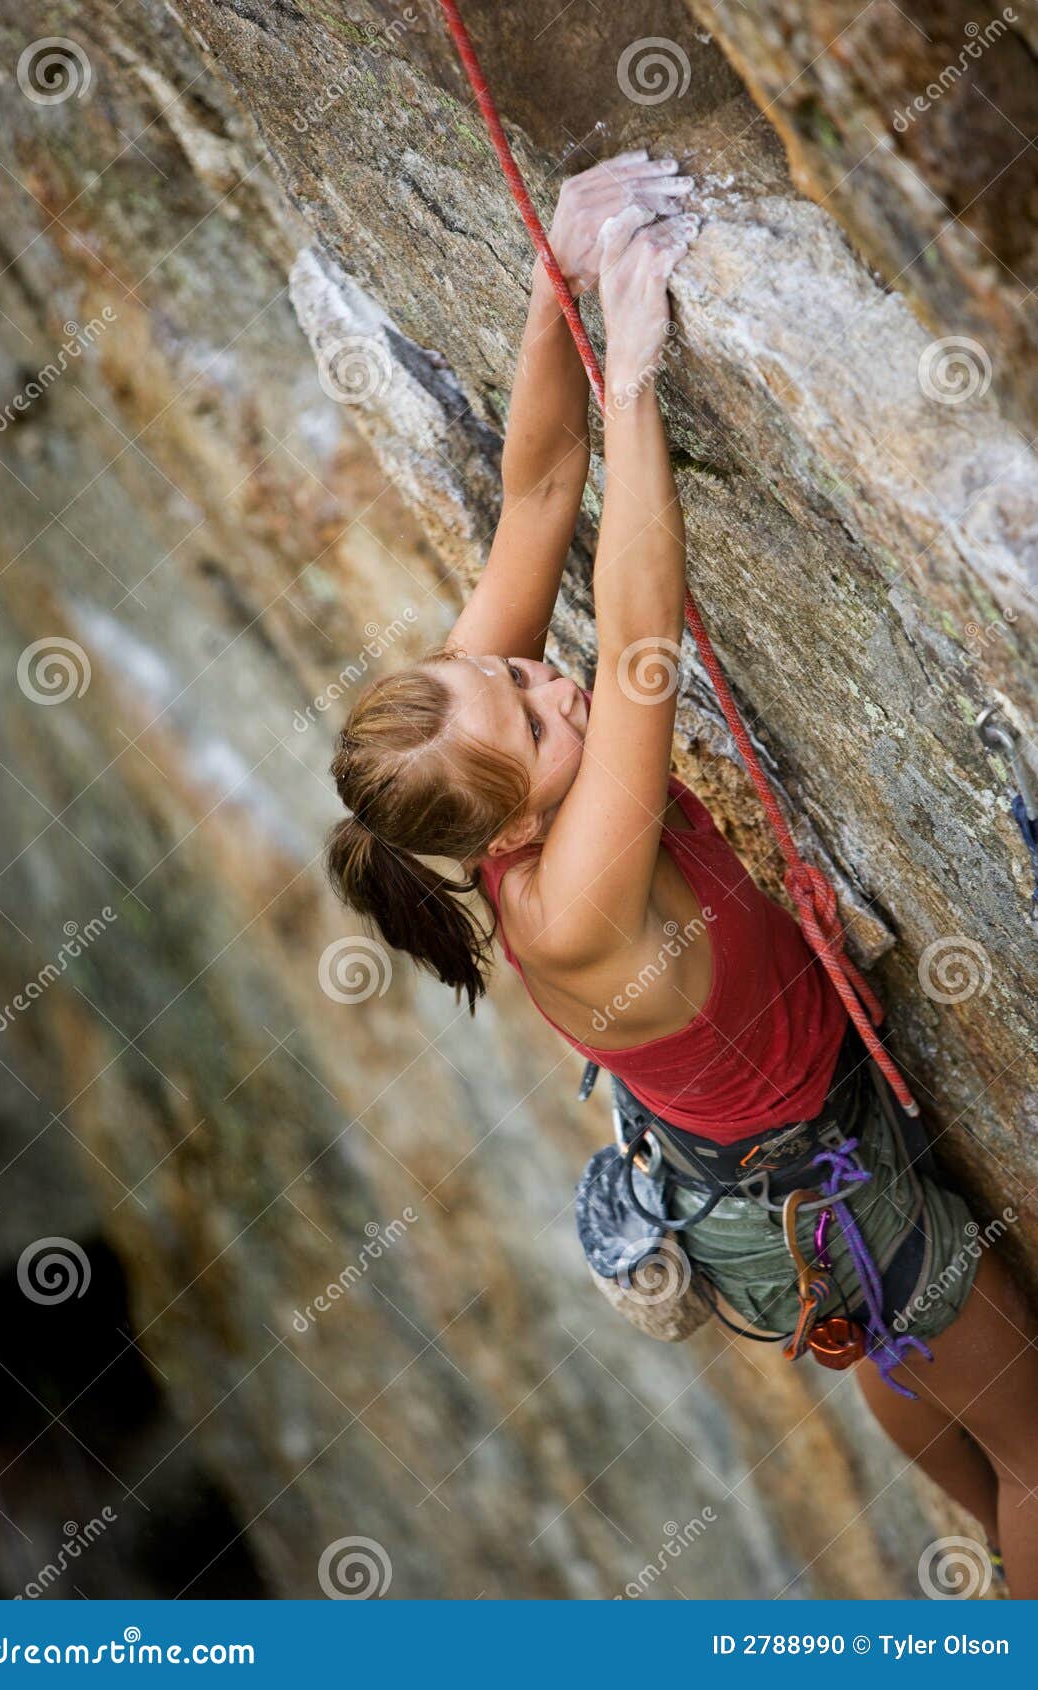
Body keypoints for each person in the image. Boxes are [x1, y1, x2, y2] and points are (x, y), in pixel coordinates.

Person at [327, 152, 1038, 1594]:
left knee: (916, 1353)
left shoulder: (476, 781)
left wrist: (554, 286)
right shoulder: (577, 896)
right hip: (820, 1192)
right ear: (506, 829)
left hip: (782, 1200)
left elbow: (534, 499)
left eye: (511, 668)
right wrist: (637, 370)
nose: (548, 681)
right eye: (533, 721)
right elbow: (642, 632)